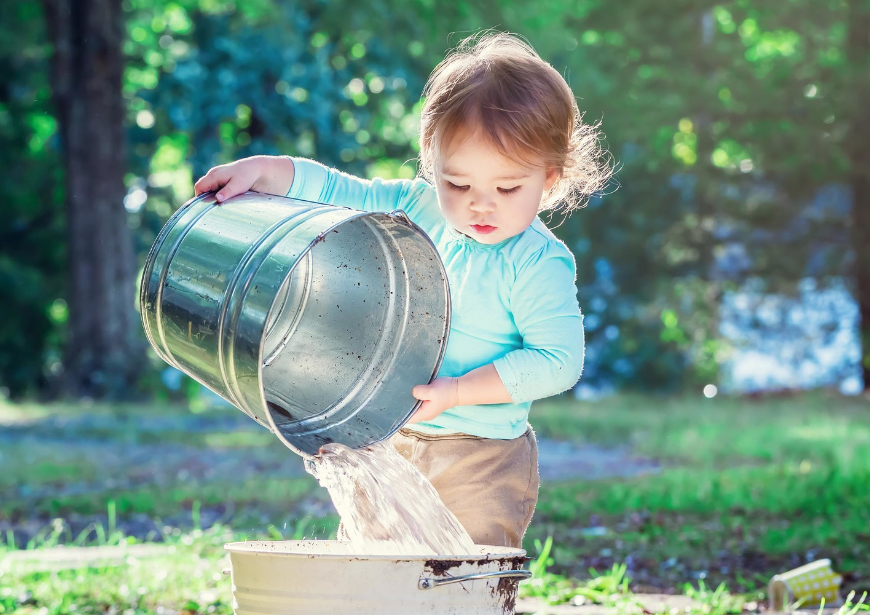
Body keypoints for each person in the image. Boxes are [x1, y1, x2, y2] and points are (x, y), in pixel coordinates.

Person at [194, 32, 611, 549]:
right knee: (372, 574)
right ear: (430, 162)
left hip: (479, 456)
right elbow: (337, 191)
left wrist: (457, 393)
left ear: (548, 178)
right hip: (386, 435)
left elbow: (558, 360)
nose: (482, 205)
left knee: (463, 577)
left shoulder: (534, 262)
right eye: (458, 184)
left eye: (507, 189)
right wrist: (266, 170)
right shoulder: (416, 210)